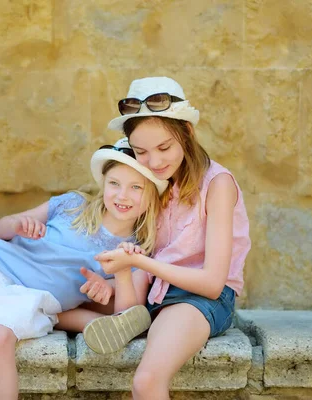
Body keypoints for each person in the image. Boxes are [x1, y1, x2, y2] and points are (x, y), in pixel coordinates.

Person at [0, 139, 167, 400]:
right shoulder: (73, 205)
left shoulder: (138, 249)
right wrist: (19, 224)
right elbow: (2, 228)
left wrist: (114, 278)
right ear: (103, 183)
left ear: (153, 194)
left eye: (136, 187)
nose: (122, 195)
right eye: (114, 184)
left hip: (29, 296)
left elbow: (128, 312)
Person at [83, 77, 251, 400]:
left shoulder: (217, 185)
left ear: (186, 133)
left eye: (164, 148)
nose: (155, 162)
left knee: (146, 382)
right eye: (141, 152)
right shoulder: (156, 185)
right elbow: (149, 260)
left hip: (201, 299)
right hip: (157, 289)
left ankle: (138, 319)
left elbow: (213, 282)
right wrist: (122, 271)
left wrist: (139, 261)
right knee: (72, 297)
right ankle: (131, 316)